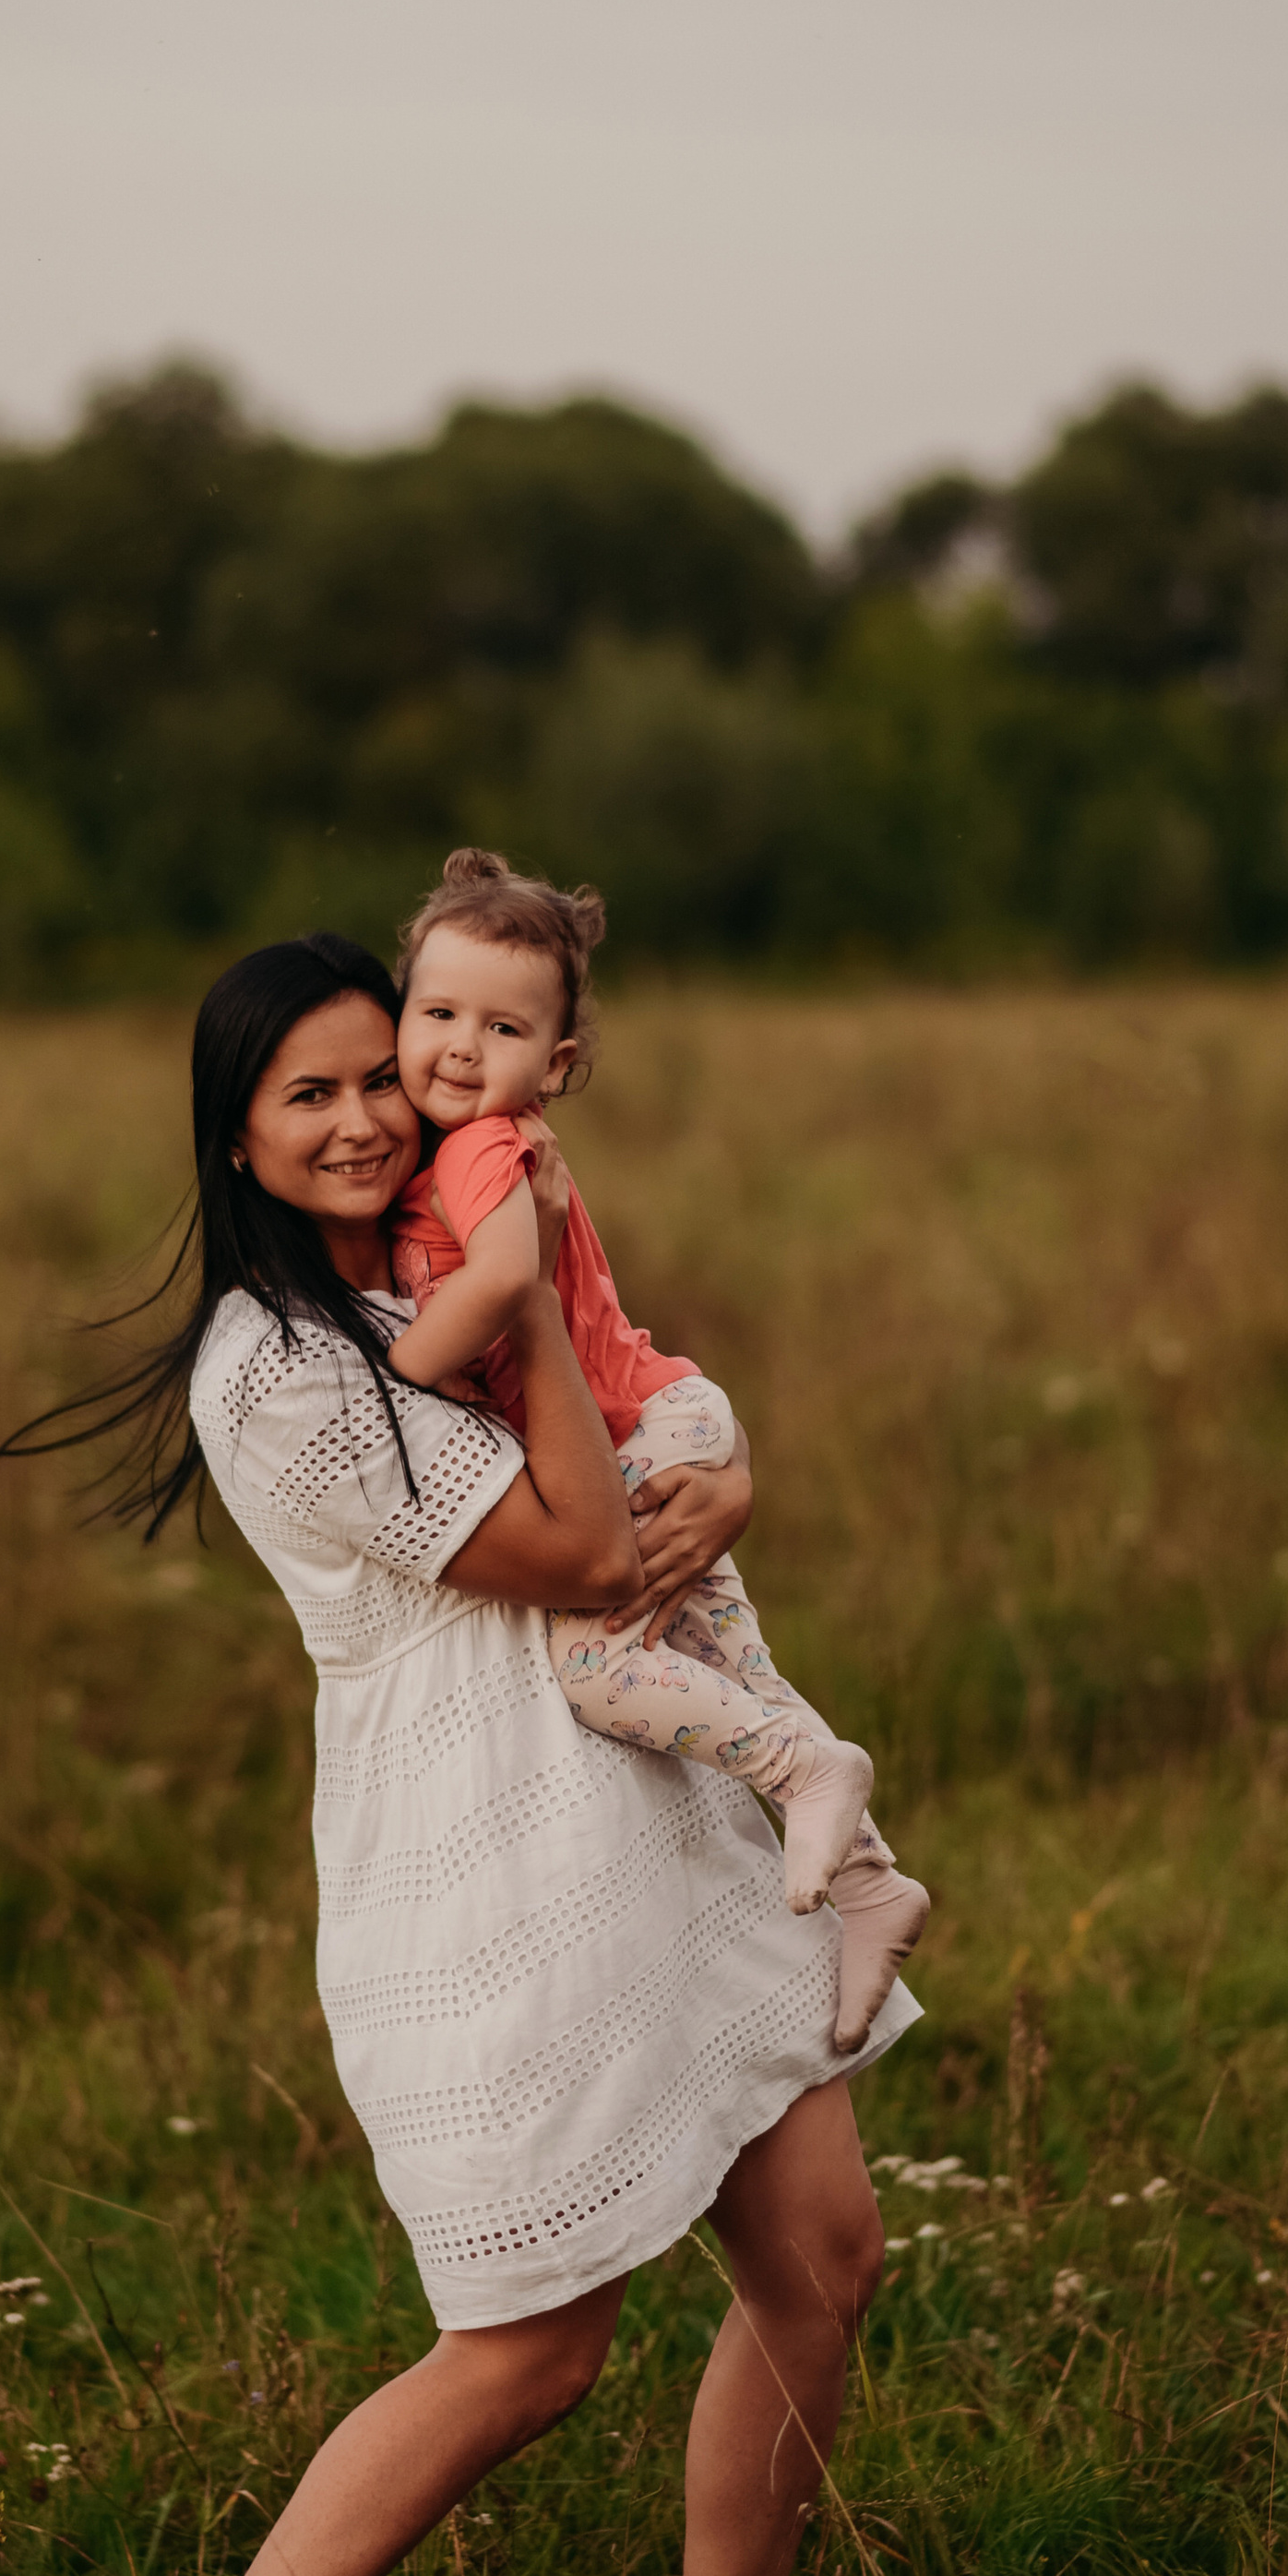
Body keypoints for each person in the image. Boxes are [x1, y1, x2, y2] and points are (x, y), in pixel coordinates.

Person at [3, 931, 924, 2576]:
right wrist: (513, 1288)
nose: (359, 1119)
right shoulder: (274, 1373)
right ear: (236, 1138)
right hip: (494, 1857)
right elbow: (580, 1533)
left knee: (821, 2254)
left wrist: (720, 1472)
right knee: (529, 2344)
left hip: (654, 1816)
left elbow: (623, 1374)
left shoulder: (437, 1234)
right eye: (307, 1095)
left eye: (378, 1077)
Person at [382, 846, 931, 2028]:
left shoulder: (481, 1148)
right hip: (672, 1407)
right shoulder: (451, 1154)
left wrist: (397, 1368)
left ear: (556, 1063)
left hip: (637, 1429)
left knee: (597, 1668)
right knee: (734, 1667)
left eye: (501, 1027)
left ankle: (807, 1770)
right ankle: (875, 1886)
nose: (462, 1048)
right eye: (436, 1013)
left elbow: (498, 1289)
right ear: (398, 1011)